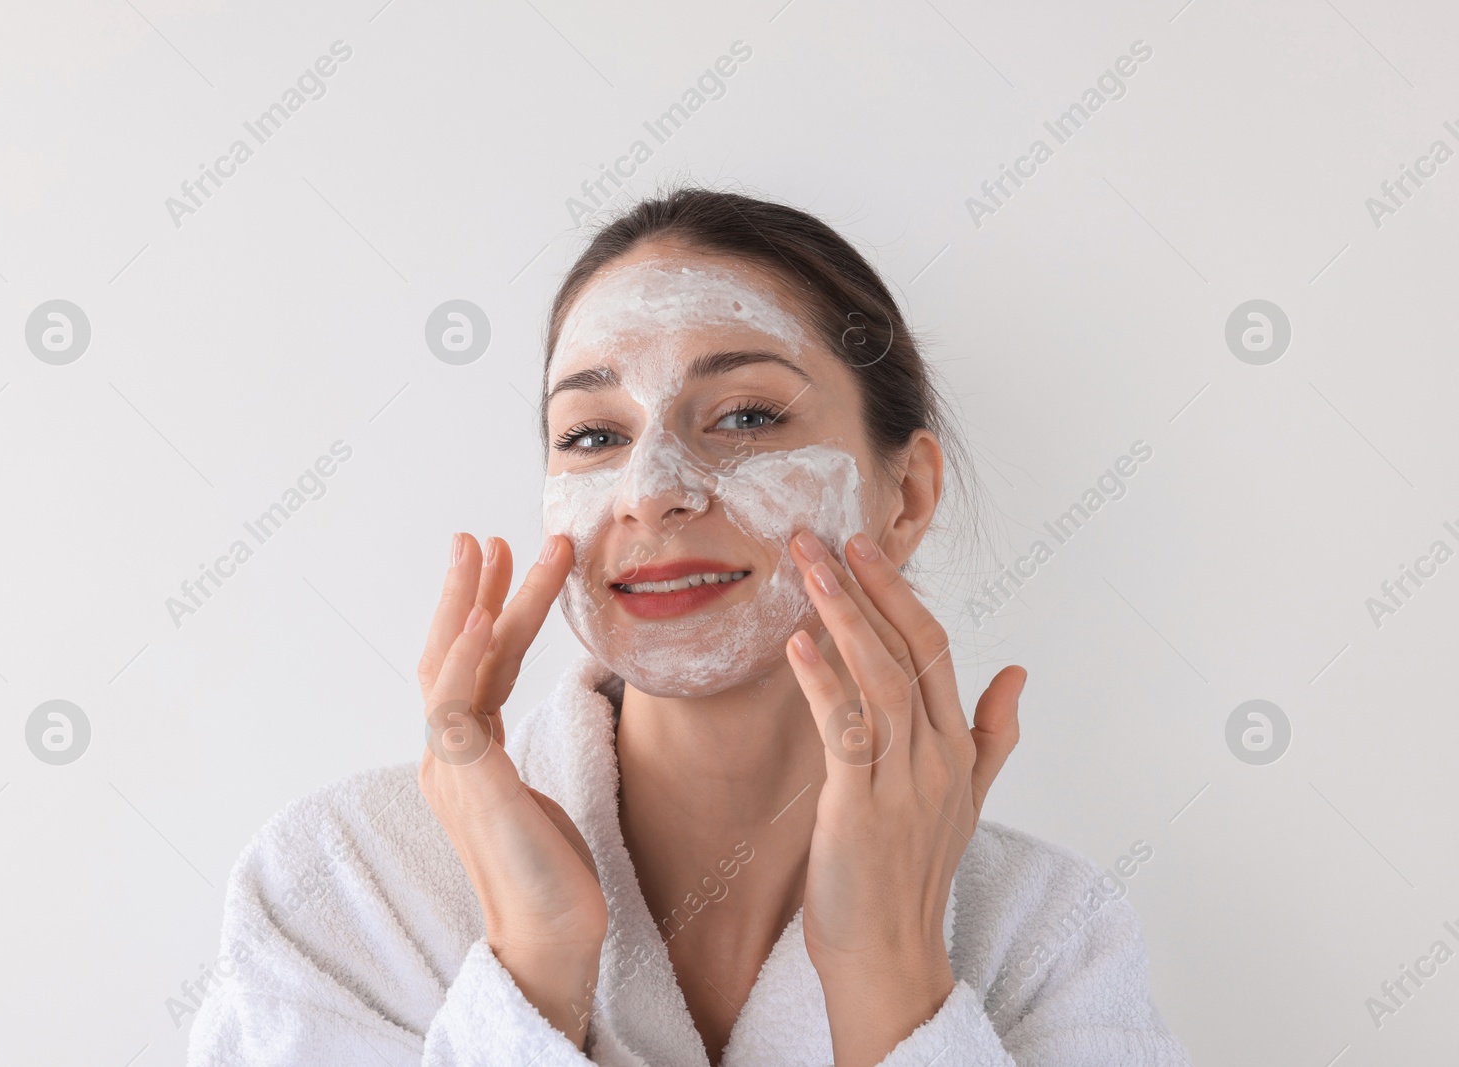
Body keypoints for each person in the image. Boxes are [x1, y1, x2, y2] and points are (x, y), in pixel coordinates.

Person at [186, 186, 1191, 1066]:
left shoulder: (1047, 932)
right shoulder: (345, 886)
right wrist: (535, 965)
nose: (650, 488)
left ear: (908, 492)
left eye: (745, 416)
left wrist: (890, 972)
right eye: (592, 434)